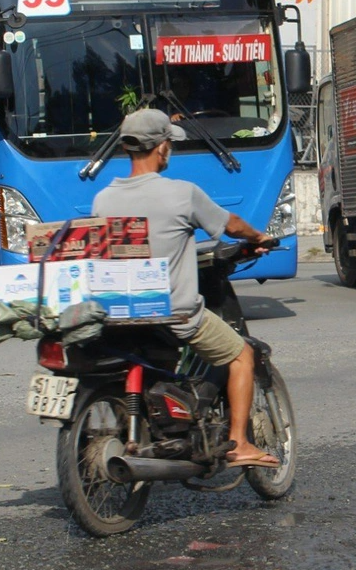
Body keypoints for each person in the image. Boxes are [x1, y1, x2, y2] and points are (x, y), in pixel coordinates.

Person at [91, 108, 278, 468]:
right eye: (168, 145)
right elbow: (231, 225)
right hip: (173, 315)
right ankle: (239, 443)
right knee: (241, 355)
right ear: (161, 148)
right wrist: (259, 236)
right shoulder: (181, 194)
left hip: (119, 313)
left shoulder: (103, 199)